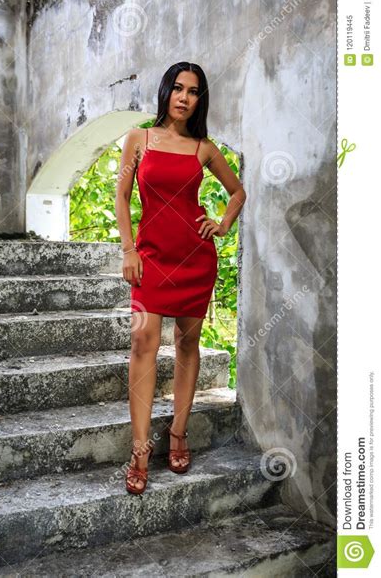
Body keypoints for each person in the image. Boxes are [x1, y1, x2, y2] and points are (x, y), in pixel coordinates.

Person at [115, 61, 246, 494]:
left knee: (187, 344)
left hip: (194, 259)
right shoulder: (139, 139)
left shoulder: (203, 148)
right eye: (178, 88)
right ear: (166, 92)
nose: (184, 97)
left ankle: (178, 432)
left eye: (193, 91)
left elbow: (237, 191)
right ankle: (139, 449)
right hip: (150, 257)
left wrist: (223, 224)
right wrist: (129, 249)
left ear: (199, 100)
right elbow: (122, 197)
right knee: (141, 342)